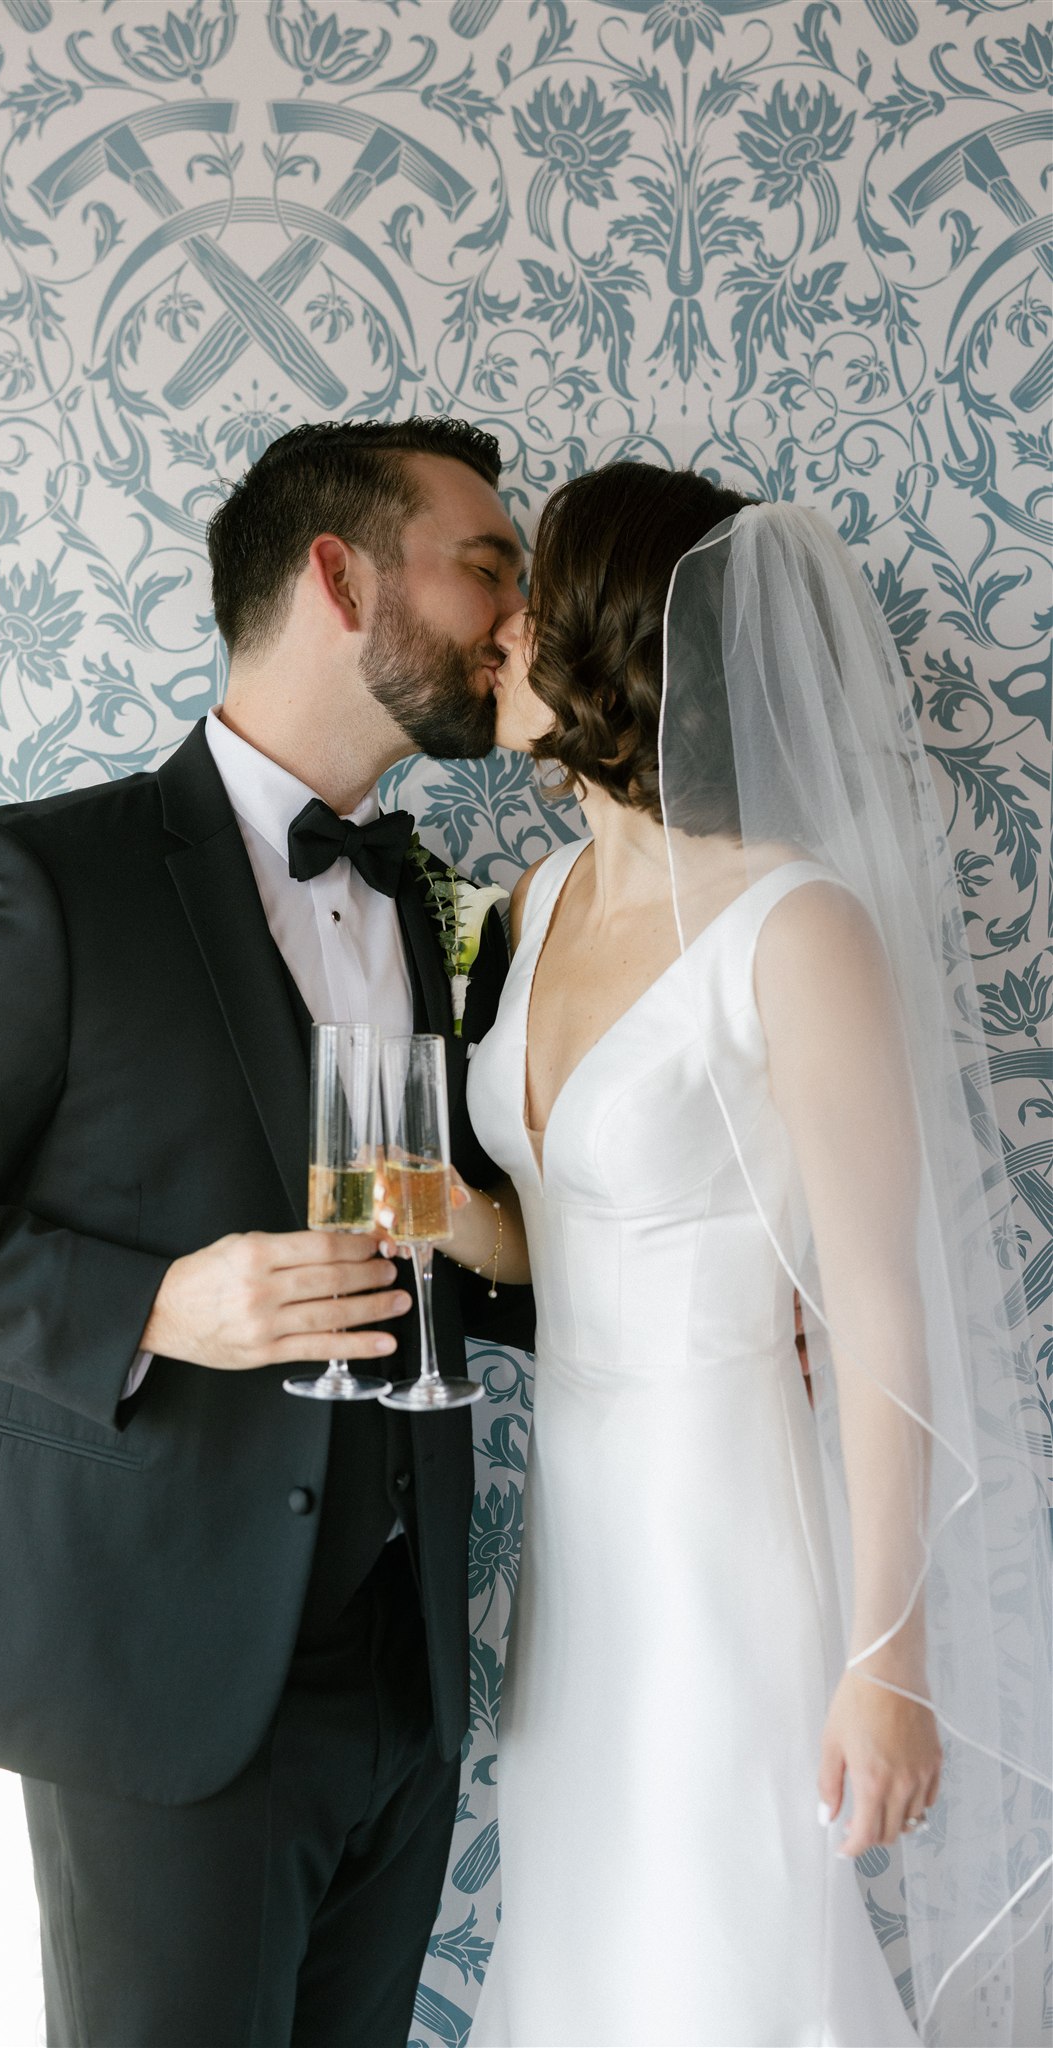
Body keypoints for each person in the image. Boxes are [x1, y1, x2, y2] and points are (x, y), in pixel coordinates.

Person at [0, 416, 535, 2048]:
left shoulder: (423, 898)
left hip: (402, 1680)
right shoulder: (48, 878)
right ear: (337, 578)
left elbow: (450, 1234)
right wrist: (162, 1305)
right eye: (486, 564)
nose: (516, 615)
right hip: (158, 1671)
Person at [408, 464, 1048, 2046]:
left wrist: (884, 1657)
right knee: (595, 1938)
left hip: (730, 1521)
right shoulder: (538, 903)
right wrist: (412, 1200)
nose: (498, 635)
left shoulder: (795, 924)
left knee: (718, 1950)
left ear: (619, 634)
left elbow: (880, 1310)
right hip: (581, 1524)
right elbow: (542, 1234)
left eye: (529, 599)